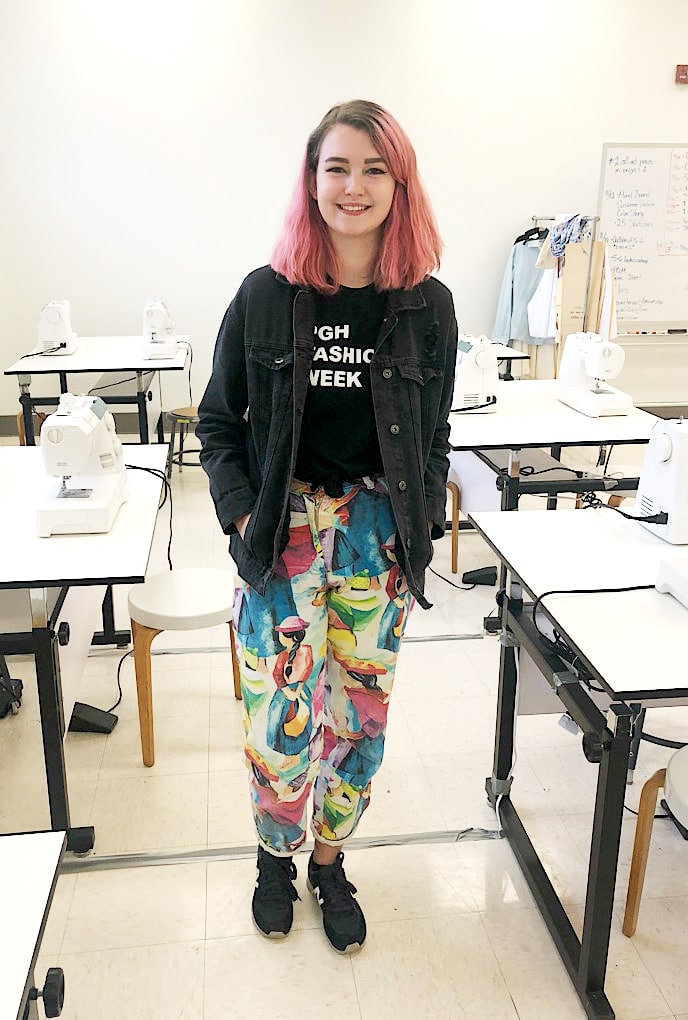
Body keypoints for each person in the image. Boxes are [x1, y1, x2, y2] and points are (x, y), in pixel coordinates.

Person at [197, 99, 458, 954]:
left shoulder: (428, 305)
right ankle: (276, 856)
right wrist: (242, 516)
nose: (353, 187)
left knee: (360, 717)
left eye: (373, 169)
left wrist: (420, 508)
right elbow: (219, 422)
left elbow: (435, 429)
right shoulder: (266, 297)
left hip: (377, 538)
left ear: (399, 184)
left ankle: (331, 860)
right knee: (280, 712)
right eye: (337, 167)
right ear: (311, 182)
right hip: (283, 530)